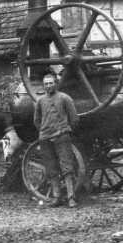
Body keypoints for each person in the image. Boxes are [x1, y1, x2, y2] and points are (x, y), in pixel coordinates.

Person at [33, 74, 80, 208]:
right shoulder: (40, 101)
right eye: (46, 84)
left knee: (67, 168)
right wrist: (44, 130)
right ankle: (56, 197)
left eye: (50, 83)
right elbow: (36, 120)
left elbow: (74, 118)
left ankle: (71, 198)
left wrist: (64, 130)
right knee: (51, 169)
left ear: (56, 84)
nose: (48, 86)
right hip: (45, 138)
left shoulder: (65, 98)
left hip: (61, 136)